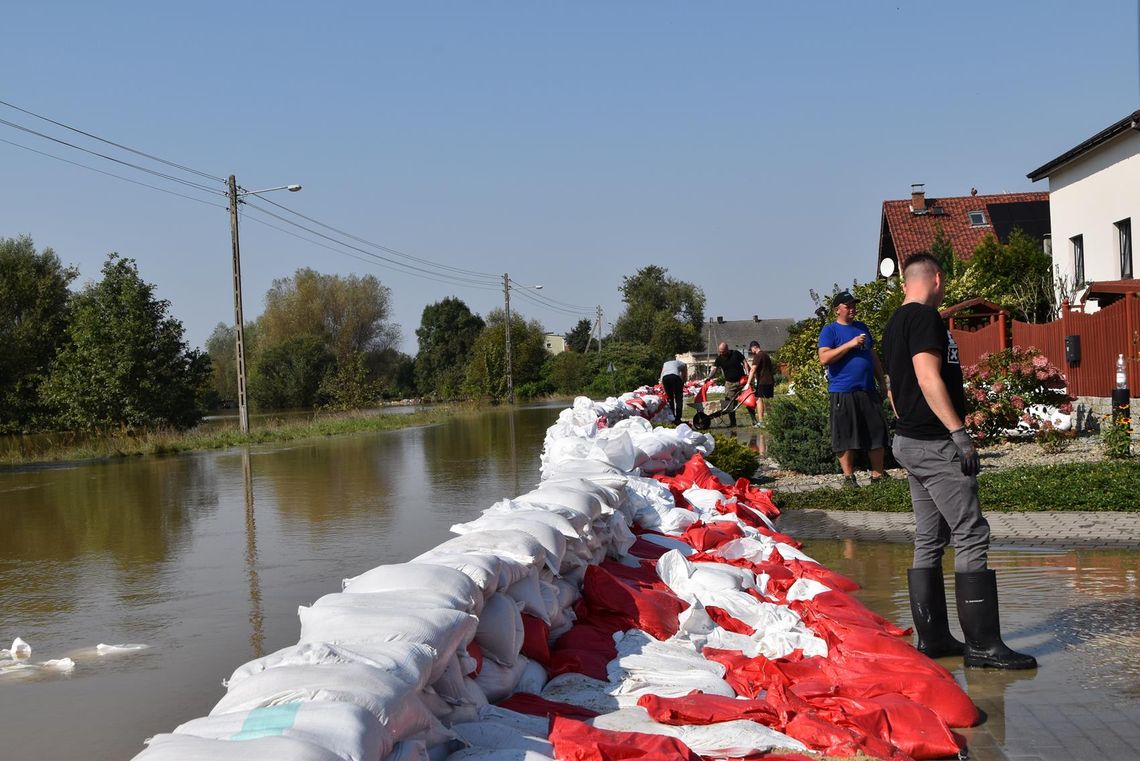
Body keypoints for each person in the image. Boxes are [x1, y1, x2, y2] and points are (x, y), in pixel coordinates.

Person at [883, 251, 1036, 670]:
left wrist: (909, 424)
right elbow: (927, 377)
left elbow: (894, 386)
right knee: (970, 532)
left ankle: (932, 639)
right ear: (936, 278)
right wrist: (958, 433)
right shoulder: (926, 319)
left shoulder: (894, 322)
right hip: (935, 444)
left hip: (910, 441)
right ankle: (983, 646)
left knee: (930, 538)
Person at [817, 291, 889, 487]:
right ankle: (849, 478)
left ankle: (878, 476)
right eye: (847, 306)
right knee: (845, 434)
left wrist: (882, 383)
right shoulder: (830, 331)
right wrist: (849, 344)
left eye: (853, 305)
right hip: (842, 391)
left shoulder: (862, 328)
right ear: (837, 310)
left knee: (876, 431)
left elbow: (873, 357)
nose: (852, 309)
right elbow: (824, 358)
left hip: (867, 389)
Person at [704, 342, 748, 427]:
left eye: (723, 351)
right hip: (729, 384)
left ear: (727, 349)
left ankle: (754, 421)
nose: (721, 353)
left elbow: (745, 362)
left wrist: (748, 373)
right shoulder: (719, 359)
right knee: (729, 404)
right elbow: (714, 369)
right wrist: (709, 377)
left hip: (741, 381)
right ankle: (733, 423)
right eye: (720, 351)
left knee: (748, 400)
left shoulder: (736, 354)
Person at [744, 340, 774, 426]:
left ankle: (761, 422)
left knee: (759, 399)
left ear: (754, 347)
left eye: (751, 349)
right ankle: (772, 420)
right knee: (767, 400)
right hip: (770, 381)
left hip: (763, 381)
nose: (751, 351)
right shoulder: (766, 355)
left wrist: (747, 383)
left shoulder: (758, 356)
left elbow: (753, 369)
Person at [659, 358, 688, 424]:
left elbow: (662, 375)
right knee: (679, 398)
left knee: (670, 398)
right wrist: (684, 380)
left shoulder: (665, 364)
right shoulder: (681, 363)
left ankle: (672, 417)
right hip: (675, 377)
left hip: (665, 378)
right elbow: (684, 372)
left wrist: (663, 387)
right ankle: (678, 419)